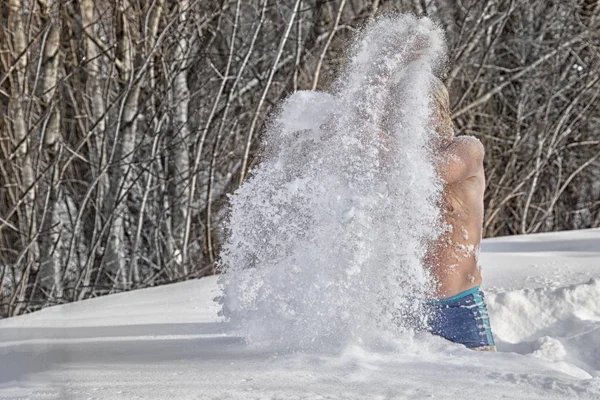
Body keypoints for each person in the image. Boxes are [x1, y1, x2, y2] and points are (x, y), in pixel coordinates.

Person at [425, 77, 496, 351]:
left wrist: (369, 132)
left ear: (439, 110)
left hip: (459, 309)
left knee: (483, 390)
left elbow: (435, 171)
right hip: (405, 307)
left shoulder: (467, 149)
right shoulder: (396, 162)